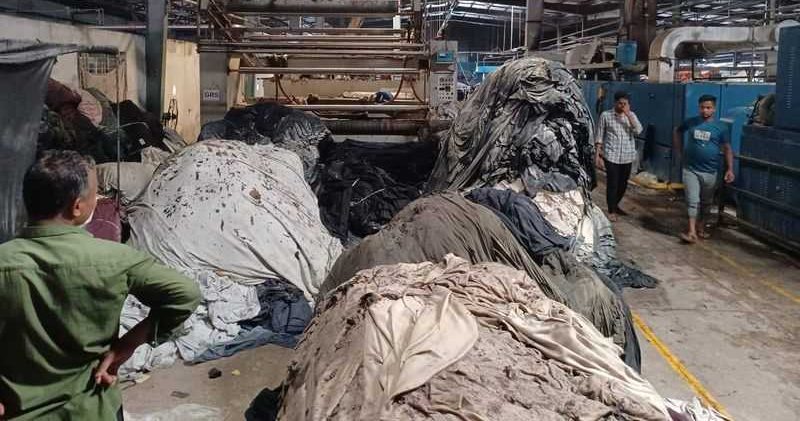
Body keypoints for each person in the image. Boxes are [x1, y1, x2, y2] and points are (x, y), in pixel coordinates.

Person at [0, 151, 201, 420]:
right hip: (93, 409)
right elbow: (186, 294)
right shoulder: (116, 259)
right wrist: (126, 346)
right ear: (77, 207)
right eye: (95, 194)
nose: (98, 199)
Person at [673, 94, 735, 244]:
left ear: (714, 109)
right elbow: (677, 131)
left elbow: (727, 148)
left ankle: (701, 226)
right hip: (690, 169)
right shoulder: (691, 122)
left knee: (707, 202)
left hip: (710, 171)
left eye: (708, 108)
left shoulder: (721, 128)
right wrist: (679, 152)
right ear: (698, 107)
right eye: (702, 107)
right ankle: (691, 231)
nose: (705, 110)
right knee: (692, 200)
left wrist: (730, 169)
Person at [594, 91, 643, 221]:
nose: (622, 106)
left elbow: (638, 130)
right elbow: (599, 135)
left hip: (627, 155)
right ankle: (611, 210)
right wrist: (597, 155)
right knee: (613, 183)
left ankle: (615, 204)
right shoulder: (606, 115)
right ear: (615, 102)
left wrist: (628, 115)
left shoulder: (631, 116)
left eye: (625, 104)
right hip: (611, 155)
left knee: (623, 184)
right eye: (620, 103)